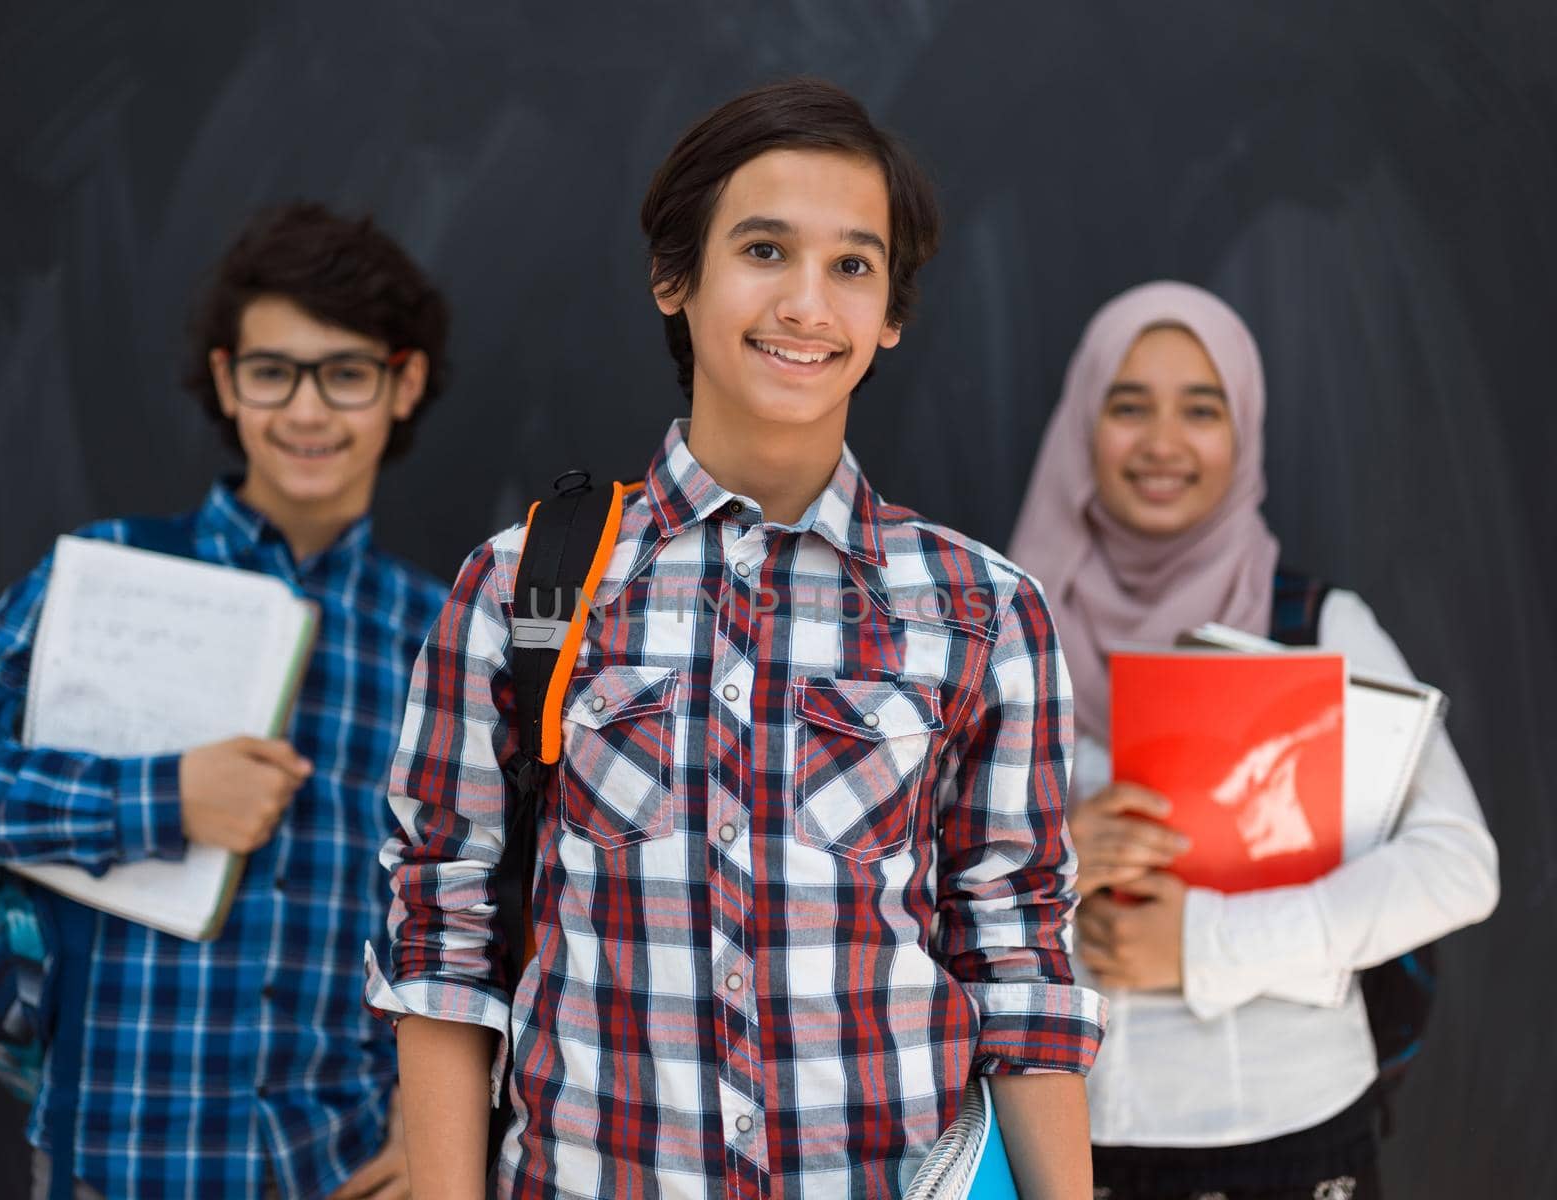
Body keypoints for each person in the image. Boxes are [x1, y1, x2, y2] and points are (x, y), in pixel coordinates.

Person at [367, 78, 1106, 1199]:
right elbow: (443, 925)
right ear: (675, 277)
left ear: (892, 316)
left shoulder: (980, 608)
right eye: (764, 249)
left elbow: (1019, 959)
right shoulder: (524, 584)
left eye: (852, 266)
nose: (807, 304)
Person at [0, 202, 452, 1199]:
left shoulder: (441, 635)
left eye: (346, 373)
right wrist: (165, 798)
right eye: (273, 372)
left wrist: (427, 1117)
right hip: (123, 1154)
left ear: (403, 385)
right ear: (228, 381)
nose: (306, 413)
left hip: (343, 1163)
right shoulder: (98, 577)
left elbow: (473, 908)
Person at [1006, 280, 1500, 1200]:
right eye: (1127, 406)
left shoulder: (1316, 627)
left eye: (1202, 408)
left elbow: (1458, 865)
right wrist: (1057, 858)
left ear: (1244, 430)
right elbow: (903, 889)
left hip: (1296, 1131)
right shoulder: (1001, 634)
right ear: (1082, 427)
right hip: (1064, 1141)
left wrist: (1205, 944)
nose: (1162, 443)